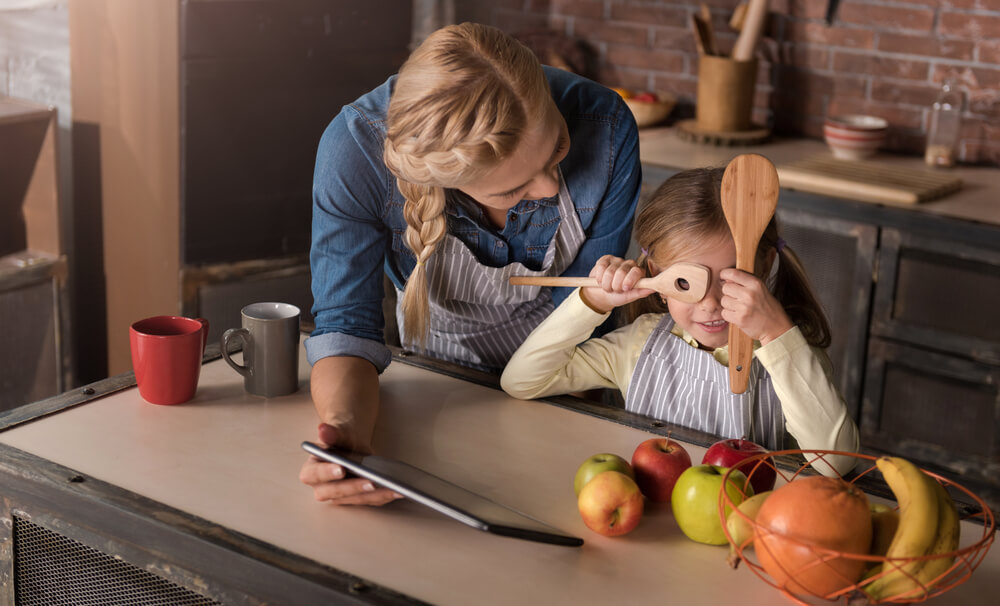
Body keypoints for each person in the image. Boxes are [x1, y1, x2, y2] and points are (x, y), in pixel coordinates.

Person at [300, 23, 641, 505]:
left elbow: (584, 316)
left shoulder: (605, 126)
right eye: (511, 190)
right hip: (435, 385)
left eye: (558, 149)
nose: (549, 189)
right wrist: (345, 429)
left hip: (562, 377)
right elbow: (346, 327)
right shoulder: (354, 150)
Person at [501, 167, 859, 476]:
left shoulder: (788, 356)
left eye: (732, 277)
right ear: (657, 276)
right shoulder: (636, 346)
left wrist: (776, 332)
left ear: (763, 267)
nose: (711, 304)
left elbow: (834, 463)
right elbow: (522, 382)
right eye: (686, 283)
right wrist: (591, 302)